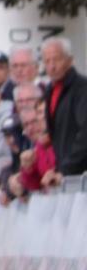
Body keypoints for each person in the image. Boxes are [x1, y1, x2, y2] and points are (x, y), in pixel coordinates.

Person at [40, 37, 87, 176]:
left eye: (57, 60)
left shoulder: (81, 88)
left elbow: (85, 133)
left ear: (70, 60)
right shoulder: (50, 90)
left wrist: (66, 169)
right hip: (64, 173)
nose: (52, 66)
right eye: (47, 61)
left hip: (80, 174)